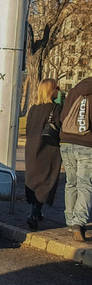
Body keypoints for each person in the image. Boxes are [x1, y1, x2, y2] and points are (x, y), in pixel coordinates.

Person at [24, 79, 62, 230]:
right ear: (51, 91)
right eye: (56, 88)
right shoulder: (56, 108)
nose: (59, 91)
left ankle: (35, 210)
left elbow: (28, 129)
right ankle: (35, 212)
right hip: (49, 148)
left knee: (34, 180)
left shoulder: (33, 108)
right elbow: (59, 128)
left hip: (32, 148)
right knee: (47, 179)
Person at [59, 77, 92, 241]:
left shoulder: (74, 90)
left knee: (70, 183)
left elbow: (63, 116)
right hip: (87, 144)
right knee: (85, 184)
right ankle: (79, 222)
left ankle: (71, 221)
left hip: (66, 141)